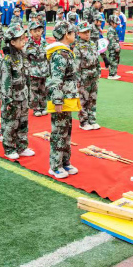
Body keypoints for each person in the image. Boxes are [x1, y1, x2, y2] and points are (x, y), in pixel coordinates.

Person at [46, 21, 80, 179]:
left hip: (68, 98)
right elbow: (56, 79)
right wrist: (57, 100)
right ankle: (55, 165)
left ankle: (65, 161)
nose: (75, 35)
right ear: (67, 34)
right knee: (59, 132)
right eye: (73, 32)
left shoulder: (66, 51)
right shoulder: (59, 54)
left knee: (66, 131)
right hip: (61, 98)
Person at [1, 24, 34, 161]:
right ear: (12, 42)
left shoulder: (23, 55)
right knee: (11, 123)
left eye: (24, 38)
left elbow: (27, 77)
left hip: (23, 95)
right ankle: (9, 148)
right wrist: (7, 99)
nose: (24, 41)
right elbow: (6, 81)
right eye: (20, 39)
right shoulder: (8, 59)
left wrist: (30, 93)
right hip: (13, 97)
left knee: (23, 122)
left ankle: (22, 146)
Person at [75, 20, 101, 131]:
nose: (87, 34)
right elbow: (76, 65)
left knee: (93, 99)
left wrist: (98, 71)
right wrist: (78, 80)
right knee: (83, 100)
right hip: (84, 77)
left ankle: (92, 119)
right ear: (79, 33)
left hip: (94, 75)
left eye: (88, 31)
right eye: (84, 32)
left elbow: (96, 60)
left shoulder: (92, 44)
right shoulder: (77, 46)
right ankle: (83, 121)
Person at [105, 14, 121, 79]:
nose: (117, 25)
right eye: (115, 23)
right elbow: (112, 40)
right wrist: (116, 47)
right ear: (111, 23)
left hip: (114, 47)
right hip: (113, 48)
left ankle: (114, 73)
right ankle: (111, 74)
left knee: (115, 60)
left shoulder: (113, 29)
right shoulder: (111, 30)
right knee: (113, 60)